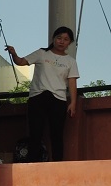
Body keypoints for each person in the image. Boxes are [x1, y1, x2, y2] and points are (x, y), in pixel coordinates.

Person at [6, 26, 80, 162]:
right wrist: (14, 54)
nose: (61, 41)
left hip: (58, 99)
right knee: (35, 132)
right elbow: (21, 62)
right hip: (38, 97)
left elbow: (72, 83)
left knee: (57, 134)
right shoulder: (42, 53)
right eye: (59, 38)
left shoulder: (70, 61)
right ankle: (33, 163)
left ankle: (58, 164)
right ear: (53, 38)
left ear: (69, 43)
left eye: (65, 39)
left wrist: (73, 103)